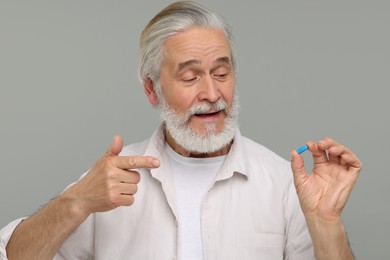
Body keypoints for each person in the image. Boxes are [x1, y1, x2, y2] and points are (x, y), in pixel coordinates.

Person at [0, 1, 362, 259]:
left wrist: (326, 222)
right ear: (151, 89)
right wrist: (76, 202)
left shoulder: (284, 184)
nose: (212, 93)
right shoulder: (108, 183)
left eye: (222, 73)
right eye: (190, 77)